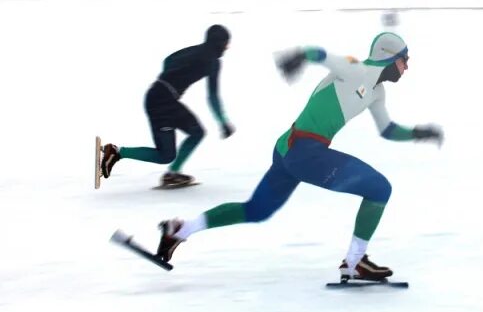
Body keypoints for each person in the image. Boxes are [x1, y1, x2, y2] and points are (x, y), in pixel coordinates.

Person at [154, 31, 443, 280]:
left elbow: (387, 129)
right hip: (305, 151)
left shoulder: (377, 92)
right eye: (405, 59)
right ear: (389, 56)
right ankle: (355, 262)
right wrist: (299, 56)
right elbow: (322, 55)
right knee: (379, 189)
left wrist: (418, 133)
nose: (407, 66)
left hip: (290, 150)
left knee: (256, 210)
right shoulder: (356, 69)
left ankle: (181, 230)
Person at [100, 24, 235, 188]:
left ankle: (170, 172)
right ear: (219, 43)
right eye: (226, 43)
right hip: (162, 102)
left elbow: (168, 60)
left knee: (192, 135)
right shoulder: (213, 62)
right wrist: (222, 121)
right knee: (167, 153)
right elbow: (212, 96)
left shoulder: (194, 50)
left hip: (159, 96)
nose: (227, 47)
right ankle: (118, 153)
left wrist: (170, 78)